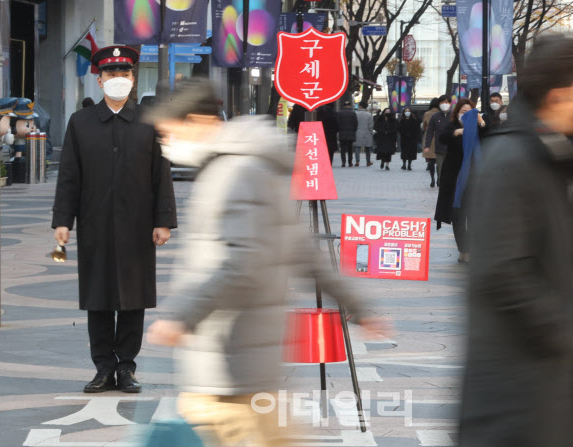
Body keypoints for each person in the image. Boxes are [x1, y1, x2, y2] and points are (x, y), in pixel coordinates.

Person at [145, 80, 390, 446]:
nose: (166, 144)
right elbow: (303, 253)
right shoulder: (257, 168)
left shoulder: (233, 173)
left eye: (168, 132)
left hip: (226, 363)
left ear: (195, 120)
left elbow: (240, 261)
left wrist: (182, 315)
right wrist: (358, 306)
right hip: (250, 362)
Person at [459, 35, 573, 446]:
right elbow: (499, 270)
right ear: (557, 96)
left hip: (544, 379)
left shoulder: (546, 154)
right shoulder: (514, 160)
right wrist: (555, 328)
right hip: (515, 392)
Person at [52, 45, 177, 394]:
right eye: (111, 74)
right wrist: (63, 220)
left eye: (124, 73)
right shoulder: (80, 123)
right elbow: (68, 176)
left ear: (132, 78)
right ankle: (103, 368)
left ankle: (126, 367)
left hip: (138, 227)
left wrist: (163, 220)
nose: (117, 79)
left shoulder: (150, 123)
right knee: (98, 298)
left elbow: (160, 174)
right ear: (100, 79)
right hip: (94, 225)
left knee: (133, 298)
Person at [435, 99, 485, 264]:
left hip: (475, 179)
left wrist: (482, 123)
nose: (466, 115)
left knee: (473, 216)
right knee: (458, 216)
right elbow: (442, 137)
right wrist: (457, 132)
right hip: (455, 180)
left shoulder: (480, 128)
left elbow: (490, 137)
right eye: (463, 112)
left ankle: (471, 249)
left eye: (469, 112)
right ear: (457, 114)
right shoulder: (452, 127)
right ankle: (463, 250)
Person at [425, 95, 453, 183]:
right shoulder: (435, 116)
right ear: (439, 104)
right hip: (439, 148)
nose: (444, 104)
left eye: (446, 102)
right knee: (440, 167)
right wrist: (427, 146)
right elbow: (429, 131)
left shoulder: (454, 116)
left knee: (450, 168)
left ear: (450, 104)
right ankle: (441, 181)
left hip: (452, 148)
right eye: (442, 103)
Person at [422, 98, 441, 187]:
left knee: (431, 161)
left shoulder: (427, 113)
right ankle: (439, 179)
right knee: (439, 160)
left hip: (429, 139)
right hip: (440, 139)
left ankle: (432, 179)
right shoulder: (442, 114)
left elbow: (424, 127)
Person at [337, 100, 358, 167]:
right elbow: (356, 123)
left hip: (342, 132)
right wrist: (354, 130)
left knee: (343, 148)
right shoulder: (353, 113)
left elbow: (337, 122)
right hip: (351, 133)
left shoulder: (340, 113)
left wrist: (339, 130)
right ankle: (350, 162)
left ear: (343, 106)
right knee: (350, 148)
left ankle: (343, 162)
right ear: (349, 105)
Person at [354, 101, 374, 167]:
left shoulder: (356, 114)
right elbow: (371, 125)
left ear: (360, 106)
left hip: (358, 132)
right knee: (367, 148)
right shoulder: (369, 114)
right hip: (367, 132)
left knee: (357, 147)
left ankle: (357, 161)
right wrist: (371, 132)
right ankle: (368, 161)